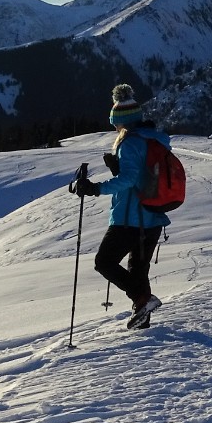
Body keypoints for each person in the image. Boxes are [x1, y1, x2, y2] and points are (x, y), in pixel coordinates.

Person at [72, 85, 171, 329]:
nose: (115, 128)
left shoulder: (129, 143)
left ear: (122, 121)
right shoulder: (154, 140)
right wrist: (117, 168)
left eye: (115, 123)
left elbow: (128, 180)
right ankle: (142, 321)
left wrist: (96, 188)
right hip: (154, 217)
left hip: (130, 218)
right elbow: (142, 175)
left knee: (104, 261)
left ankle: (143, 299)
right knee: (138, 270)